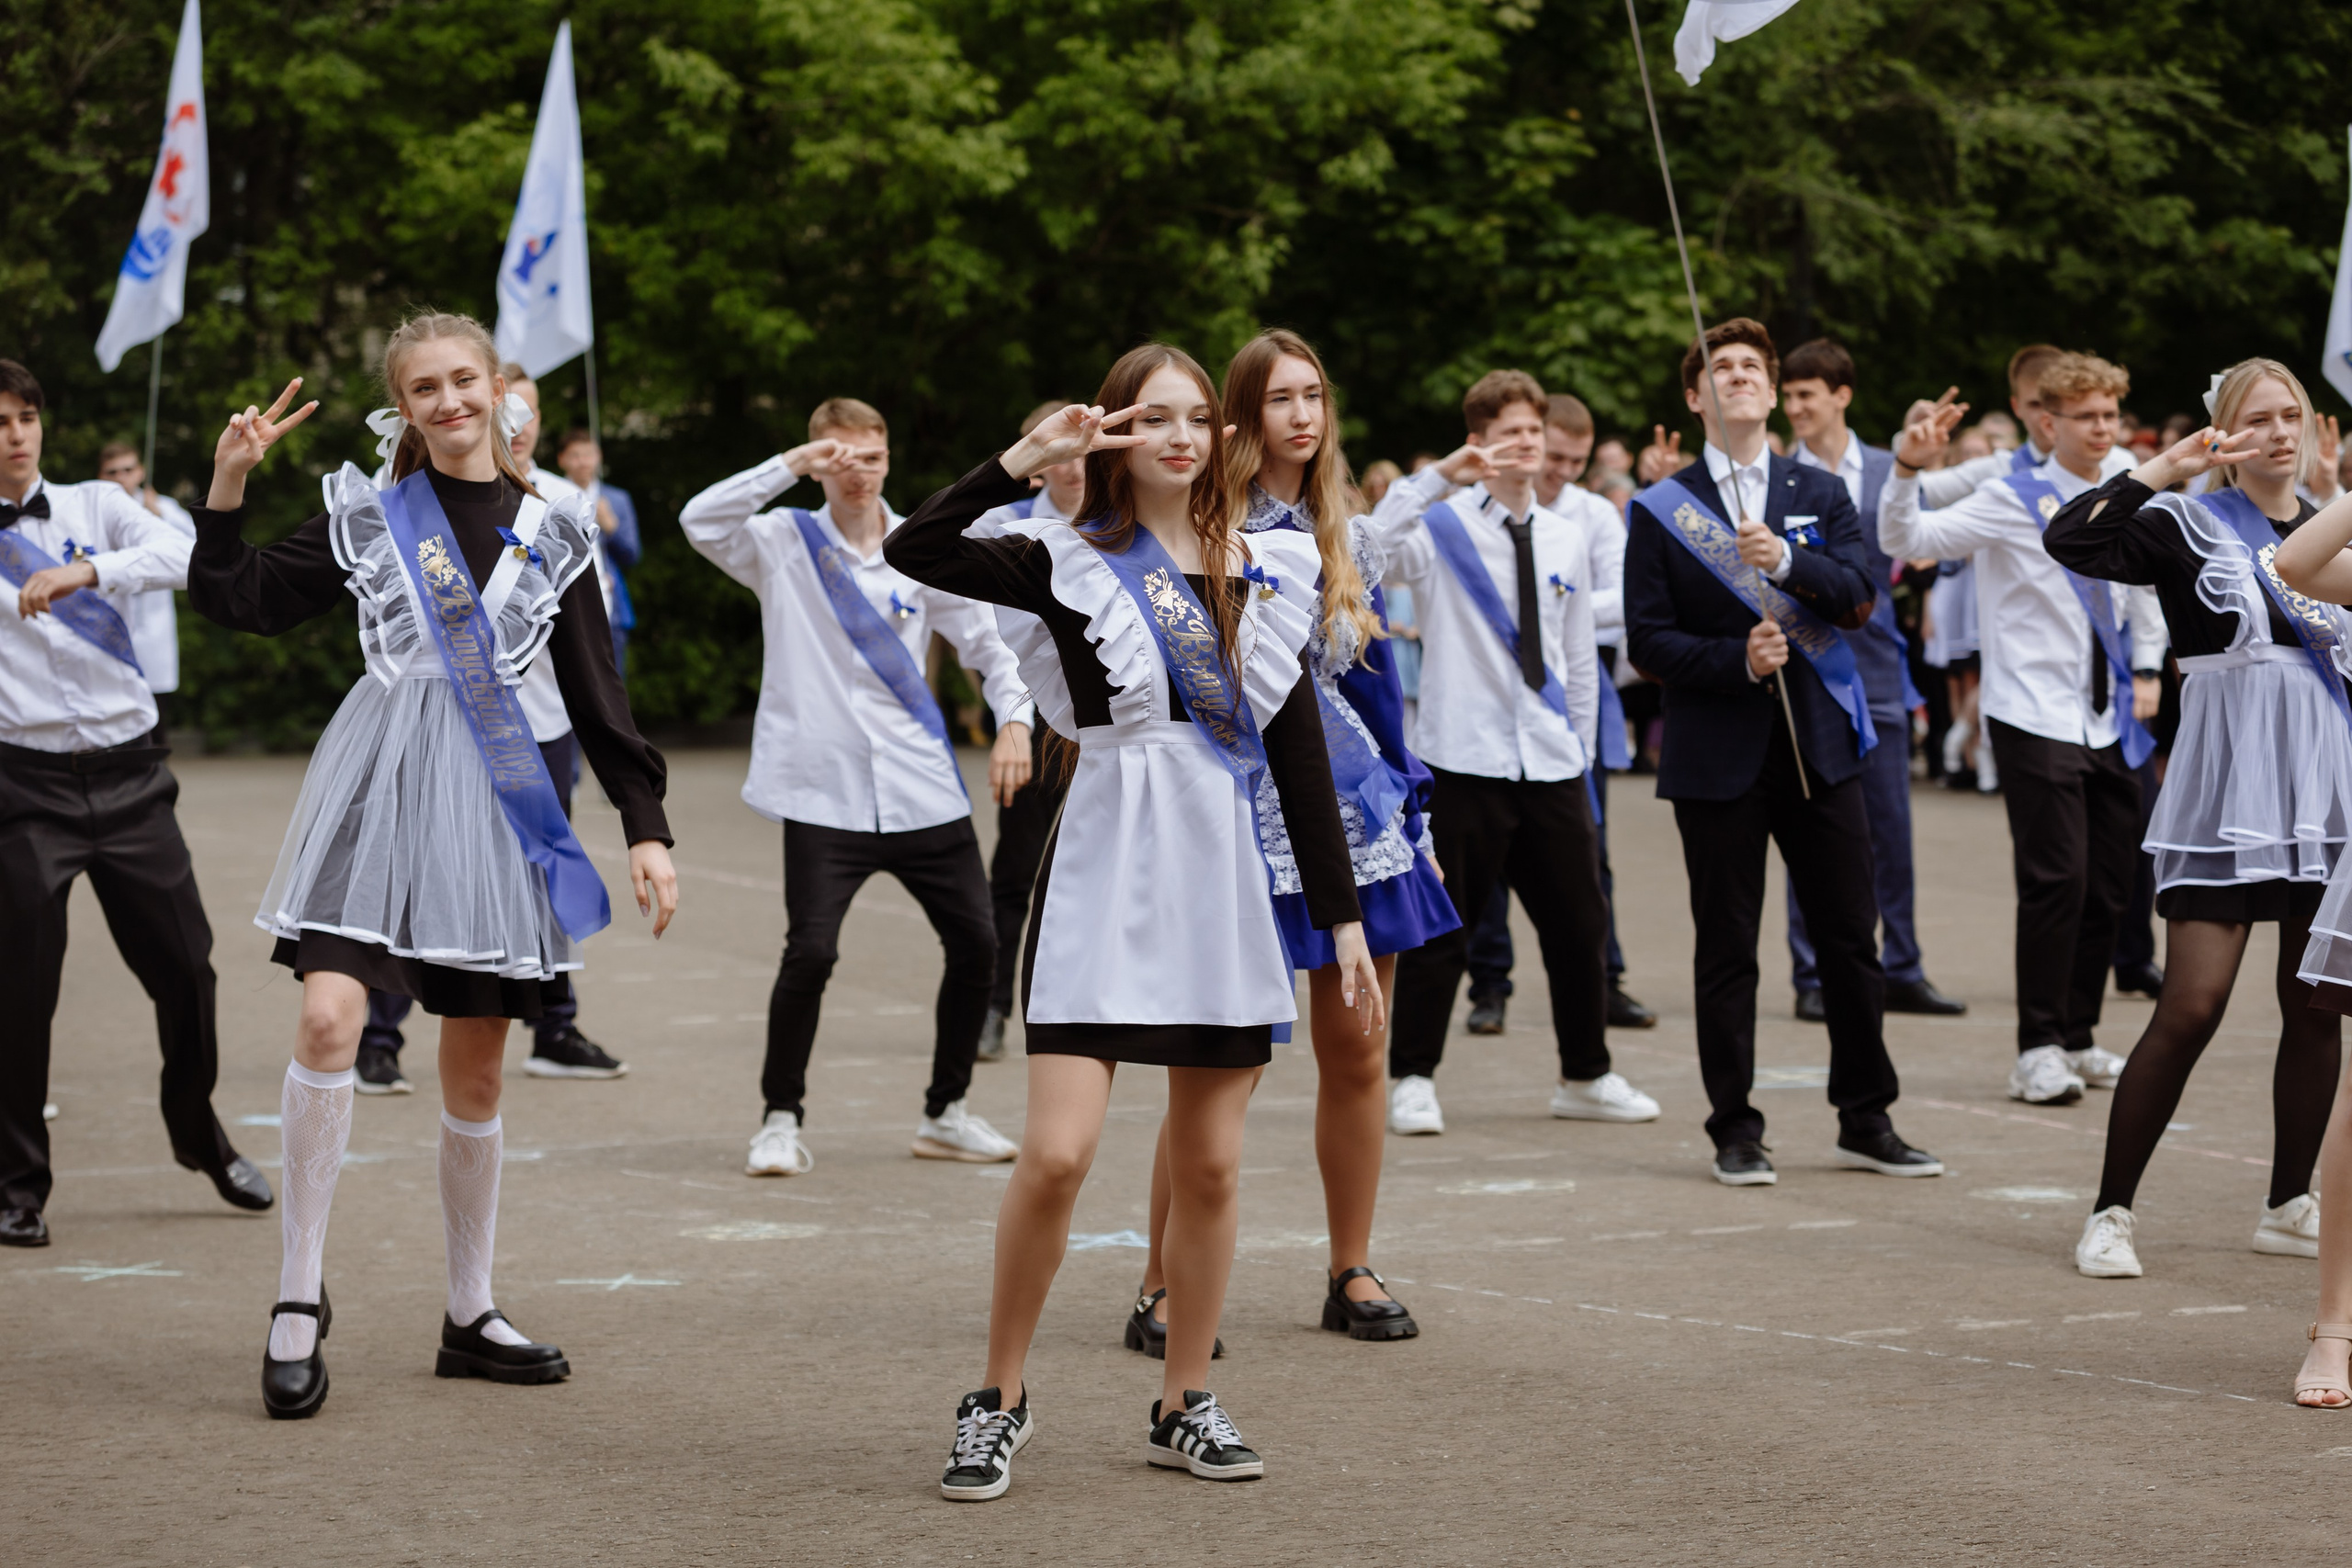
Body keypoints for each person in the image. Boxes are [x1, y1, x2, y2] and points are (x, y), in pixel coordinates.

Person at [883, 345, 1377, 1498]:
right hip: (1103, 856)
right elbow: (917, 549)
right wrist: (1024, 460)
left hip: (1217, 877)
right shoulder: (1063, 559)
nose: (1178, 437)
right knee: (1054, 1155)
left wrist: (1343, 922)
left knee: (1208, 1168)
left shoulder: (1266, 565)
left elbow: (1295, 752)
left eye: (1197, 419)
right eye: (1151, 418)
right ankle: (996, 1396)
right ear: (1112, 431)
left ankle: (1184, 1400)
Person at [187, 312, 680, 1417]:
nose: (451, 401)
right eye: (426, 388)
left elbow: (599, 691)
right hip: (373, 788)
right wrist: (226, 487)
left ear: (498, 389)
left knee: (478, 1071)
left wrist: (644, 823)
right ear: (401, 406)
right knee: (327, 1021)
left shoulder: (555, 529)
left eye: (466, 380)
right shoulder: (369, 515)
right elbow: (238, 599)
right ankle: (297, 1297)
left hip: (498, 802)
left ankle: (469, 1311)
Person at [1122, 328, 1457, 1355]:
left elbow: (1370, 685)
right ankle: (1159, 1285)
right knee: (1221, 1060)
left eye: (1313, 396)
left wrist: (1415, 802)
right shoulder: (1201, 522)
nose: (1301, 417)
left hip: (1353, 808)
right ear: (1241, 415)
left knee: (1358, 1047)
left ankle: (1348, 1264)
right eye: (1279, 400)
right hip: (1234, 804)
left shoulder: (1335, 523)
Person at [2039, 357, 2346, 1280]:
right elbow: (2073, 541)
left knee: (2316, 1002)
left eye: (2290, 414)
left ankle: (2289, 1201)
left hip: (2324, 786)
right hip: (2225, 788)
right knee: (2191, 1003)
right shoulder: (2186, 521)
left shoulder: (2327, 531)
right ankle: (2109, 1212)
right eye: (2256, 417)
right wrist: (2161, 468)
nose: (2278, 431)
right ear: (2225, 430)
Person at [1623, 319, 1941, 1187]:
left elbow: (1859, 599)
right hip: (1715, 757)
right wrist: (1735, 659)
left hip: (1823, 749)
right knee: (1727, 948)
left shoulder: (1818, 488)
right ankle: (1735, 1126)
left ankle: (1866, 1116)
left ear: (1771, 391)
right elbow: (1647, 641)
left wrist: (1790, 560)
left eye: (1750, 369)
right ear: (1696, 397)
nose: (1737, 379)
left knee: (1849, 937)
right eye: (1718, 369)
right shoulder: (1661, 508)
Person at [680, 396, 1028, 1178]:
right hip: (823, 793)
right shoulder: (779, 541)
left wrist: (1014, 722)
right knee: (811, 951)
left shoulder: (919, 546)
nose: (857, 473)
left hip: (921, 787)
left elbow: (990, 643)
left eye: (870, 457)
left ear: (888, 459)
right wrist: (792, 468)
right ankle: (779, 1116)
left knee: (977, 943)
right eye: (838, 458)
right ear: (816, 461)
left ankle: (947, 1110)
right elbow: (700, 520)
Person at [0, 361, 273, 1249]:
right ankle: (17, 1185)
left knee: (187, 970)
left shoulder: (93, 505)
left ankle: (198, 1134)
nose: (15, 433)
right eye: (0, 420)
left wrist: (87, 572)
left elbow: (187, 555)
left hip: (130, 777)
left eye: (28, 416)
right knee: (19, 996)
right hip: (23, 787)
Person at [1373, 370, 1661, 1136]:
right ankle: (1413, 1076)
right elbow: (1366, 555)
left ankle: (1585, 1072)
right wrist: (1433, 481)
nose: (1528, 443)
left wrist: (1584, 750)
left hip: (1551, 759)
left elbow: (1575, 655)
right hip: (1463, 759)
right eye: (1511, 431)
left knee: (1579, 923)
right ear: (1480, 439)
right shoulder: (1439, 527)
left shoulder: (1569, 532)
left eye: (1534, 429)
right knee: (1445, 931)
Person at [1880, 352, 2165, 1109]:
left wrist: (2146, 667)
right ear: (2048, 421)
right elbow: (1909, 539)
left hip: (2107, 716)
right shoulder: (2012, 495)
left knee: (2111, 883)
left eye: (2111, 414)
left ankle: (2077, 1034)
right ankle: (2036, 1046)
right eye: (2087, 416)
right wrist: (1906, 468)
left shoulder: (2132, 486)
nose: (2104, 428)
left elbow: (2144, 590)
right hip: (2031, 711)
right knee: (2057, 880)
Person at [354, 371, 629, 1090]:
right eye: (512, 407)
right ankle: (380, 1035)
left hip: (538, 721)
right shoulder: (430, 497)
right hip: (450, 723)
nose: (520, 421)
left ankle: (554, 1022)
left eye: (530, 411)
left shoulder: (562, 504)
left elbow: (587, 628)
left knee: (544, 870)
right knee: (421, 874)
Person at [1775, 339, 1966, 1023]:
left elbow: (1930, 540)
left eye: (1807, 395)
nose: (1795, 407)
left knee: (1890, 827)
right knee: (1809, 830)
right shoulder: (1769, 476)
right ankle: (1811, 972)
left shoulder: (1892, 469)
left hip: (1879, 667)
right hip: (1800, 670)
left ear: (1841, 395)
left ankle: (1903, 965)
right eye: (1788, 395)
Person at [972, 400, 1088, 1064]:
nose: (1072, 466)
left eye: (1082, 451)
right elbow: (993, 637)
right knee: (1015, 872)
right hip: (1040, 720)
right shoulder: (1003, 524)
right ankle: (991, 1005)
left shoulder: (1124, 525)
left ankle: (1075, 1008)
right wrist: (1011, 723)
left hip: (1112, 723)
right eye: (1058, 452)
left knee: (1091, 870)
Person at [96, 442, 197, 694]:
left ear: (140, 472)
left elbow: (199, 551)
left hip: (154, 627)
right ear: (101, 476)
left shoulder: (164, 507)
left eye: (127, 470)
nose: (121, 478)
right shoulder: (91, 512)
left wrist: (159, 516)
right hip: (108, 625)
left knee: (156, 708)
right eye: (112, 472)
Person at [555, 428, 641, 674]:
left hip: (611, 610)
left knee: (613, 682)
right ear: (562, 459)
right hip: (566, 608)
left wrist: (611, 527)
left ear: (599, 456)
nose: (583, 462)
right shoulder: (550, 496)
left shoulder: (616, 499)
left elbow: (632, 555)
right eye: (575, 455)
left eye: (588, 454)